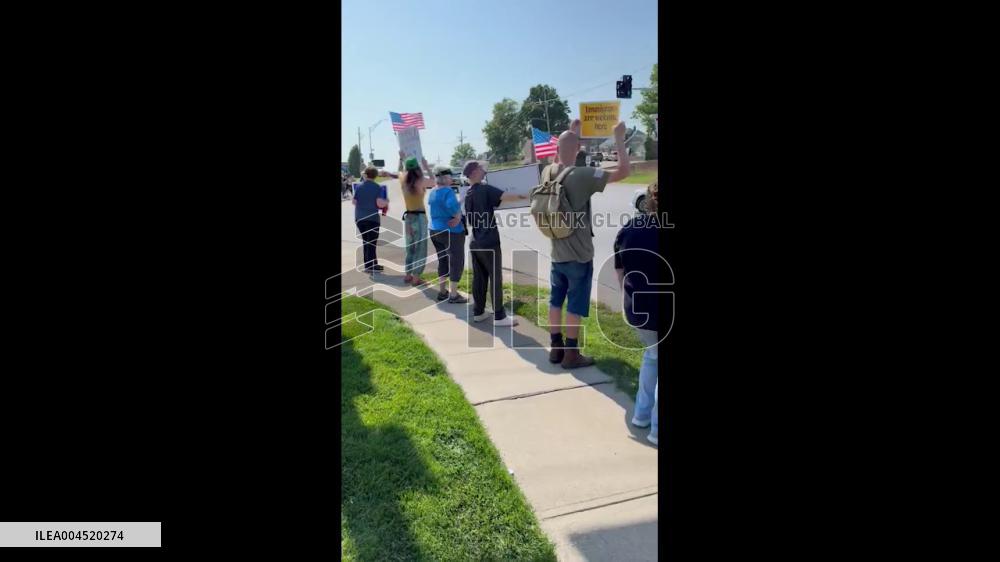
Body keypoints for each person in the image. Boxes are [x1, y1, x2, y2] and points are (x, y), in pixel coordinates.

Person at [544, 118, 631, 368]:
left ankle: (556, 348)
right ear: (579, 148)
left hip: (557, 251)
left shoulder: (548, 172)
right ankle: (571, 354)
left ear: (556, 149)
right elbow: (623, 172)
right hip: (579, 254)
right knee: (575, 303)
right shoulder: (583, 175)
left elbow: (562, 156)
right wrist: (619, 138)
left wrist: (572, 134)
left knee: (555, 300)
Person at [613, 181, 663, 446]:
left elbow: (620, 270)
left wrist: (628, 297)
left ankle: (642, 416)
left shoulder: (630, 227)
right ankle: (656, 430)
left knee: (652, 356)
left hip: (637, 309)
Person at [463, 160, 528, 327]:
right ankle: (499, 316)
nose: (484, 170)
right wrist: (528, 194)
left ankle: (478, 312)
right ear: (474, 172)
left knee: (479, 278)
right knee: (495, 277)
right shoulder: (484, 189)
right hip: (489, 241)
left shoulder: (468, 193)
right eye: (480, 168)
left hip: (475, 241)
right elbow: (507, 197)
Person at [428, 165, 468, 303]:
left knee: (443, 260)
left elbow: (440, 206)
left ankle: (442, 291)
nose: (452, 178)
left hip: (434, 230)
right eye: (450, 176)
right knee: (456, 261)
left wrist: (460, 201)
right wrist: (458, 217)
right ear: (445, 178)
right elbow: (451, 206)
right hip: (451, 231)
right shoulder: (448, 191)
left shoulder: (433, 191)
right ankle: (454, 295)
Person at [399, 152, 436, 286]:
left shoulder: (403, 179)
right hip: (420, 217)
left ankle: (408, 275)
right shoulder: (421, 181)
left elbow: (401, 170)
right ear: (418, 168)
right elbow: (434, 182)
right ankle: (416, 278)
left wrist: (402, 158)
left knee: (410, 247)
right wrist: (427, 167)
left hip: (408, 217)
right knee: (420, 247)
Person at [352, 166, 388, 272]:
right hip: (372, 218)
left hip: (359, 218)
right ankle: (370, 266)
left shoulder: (359, 187)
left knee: (366, 241)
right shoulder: (378, 188)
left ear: (366, 175)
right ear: (375, 176)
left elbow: (354, 202)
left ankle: (371, 264)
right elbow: (380, 204)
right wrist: (386, 202)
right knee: (371, 242)